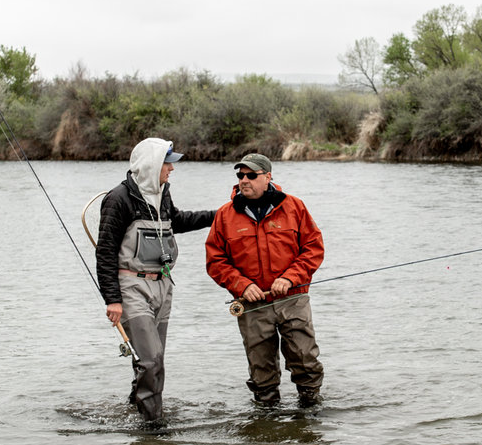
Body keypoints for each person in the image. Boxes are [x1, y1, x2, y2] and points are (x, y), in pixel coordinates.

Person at [96, 137, 215, 421]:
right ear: (151, 165)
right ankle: (153, 426)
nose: (171, 170)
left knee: (152, 359)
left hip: (163, 286)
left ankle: (137, 412)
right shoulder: (118, 199)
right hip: (131, 287)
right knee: (151, 360)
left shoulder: (162, 194)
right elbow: (106, 252)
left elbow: (178, 220)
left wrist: (218, 215)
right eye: (167, 165)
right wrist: (112, 299)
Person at [205, 153, 324, 407]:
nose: (244, 180)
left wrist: (291, 278)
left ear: (268, 177)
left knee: (305, 360)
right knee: (261, 370)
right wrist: (242, 285)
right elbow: (215, 261)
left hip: (293, 299)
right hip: (252, 304)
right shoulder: (225, 215)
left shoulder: (295, 206)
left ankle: (311, 411)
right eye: (240, 175)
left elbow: (313, 248)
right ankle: (267, 417)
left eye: (251, 175)